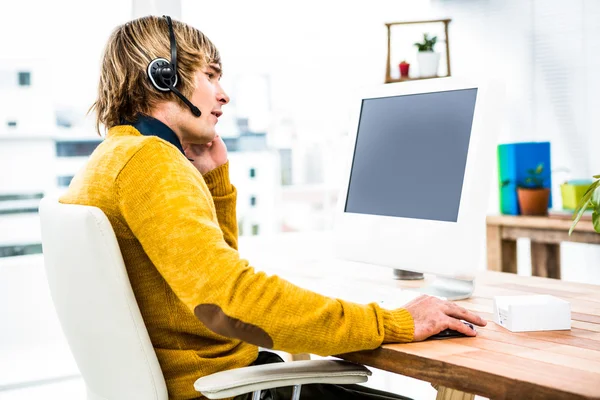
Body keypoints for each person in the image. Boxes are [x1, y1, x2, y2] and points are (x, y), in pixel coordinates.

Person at [60, 15, 487, 400]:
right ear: (164, 76)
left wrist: (213, 181)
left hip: (209, 382)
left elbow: (208, 286)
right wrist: (394, 323)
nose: (224, 95)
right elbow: (232, 300)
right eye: (210, 75)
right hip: (225, 392)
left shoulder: (114, 158)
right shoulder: (152, 162)